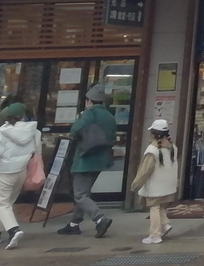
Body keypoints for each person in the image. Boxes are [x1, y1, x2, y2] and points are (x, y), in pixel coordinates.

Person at [0, 102, 41, 249]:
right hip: (21, 171)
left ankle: (13, 230)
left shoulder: (1, 134)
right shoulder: (33, 132)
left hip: (5, 173)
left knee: (1, 203)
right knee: (7, 203)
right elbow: (37, 152)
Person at [58, 84, 116, 238]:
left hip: (85, 158)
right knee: (84, 193)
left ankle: (100, 219)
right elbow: (113, 137)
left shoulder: (89, 113)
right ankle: (74, 224)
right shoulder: (109, 116)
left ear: (89, 100)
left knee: (80, 195)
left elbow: (75, 130)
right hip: (101, 159)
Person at [130, 119, 179, 245]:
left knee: (154, 207)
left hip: (155, 186)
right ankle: (165, 224)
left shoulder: (152, 149)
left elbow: (145, 171)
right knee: (160, 205)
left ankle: (155, 235)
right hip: (168, 185)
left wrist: (135, 184)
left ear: (153, 134)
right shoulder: (172, 147)